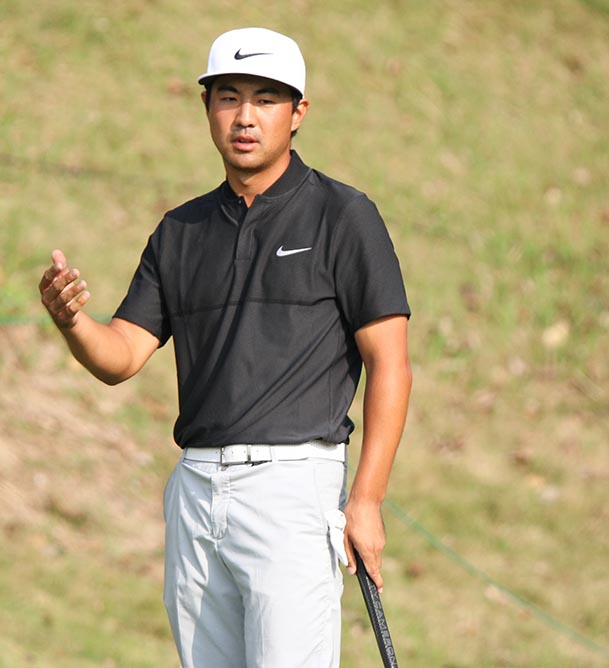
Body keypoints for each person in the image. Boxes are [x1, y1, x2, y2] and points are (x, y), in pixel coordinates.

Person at [39, 27, 411, 668]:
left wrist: (367, 500)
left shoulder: (343, 216)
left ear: (298, 114)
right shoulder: (180, 231)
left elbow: (391, 364)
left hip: (294, 491)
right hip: (197, 491)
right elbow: (122, 354)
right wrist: (73, 321)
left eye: (267, 99)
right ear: (205, 105)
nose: (245, 117)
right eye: (229, 97)